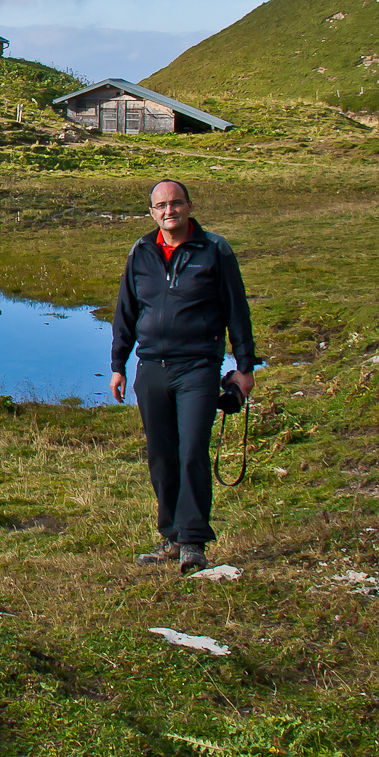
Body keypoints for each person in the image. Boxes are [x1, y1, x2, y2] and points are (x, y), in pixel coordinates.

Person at [110, 179, 256, 574]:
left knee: (192, 451)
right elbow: (126, 312)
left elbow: (236, 310)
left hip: (198, 368)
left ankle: (193, 542)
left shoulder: (214, 250)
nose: (168, 210)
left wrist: (245, 368)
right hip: (151, 368)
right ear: (152, 212)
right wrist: (118, 365)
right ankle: (171, 538)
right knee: (161, 457)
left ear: (189, 206)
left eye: (176, 203)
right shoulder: (140, 253)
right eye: (160, 205)